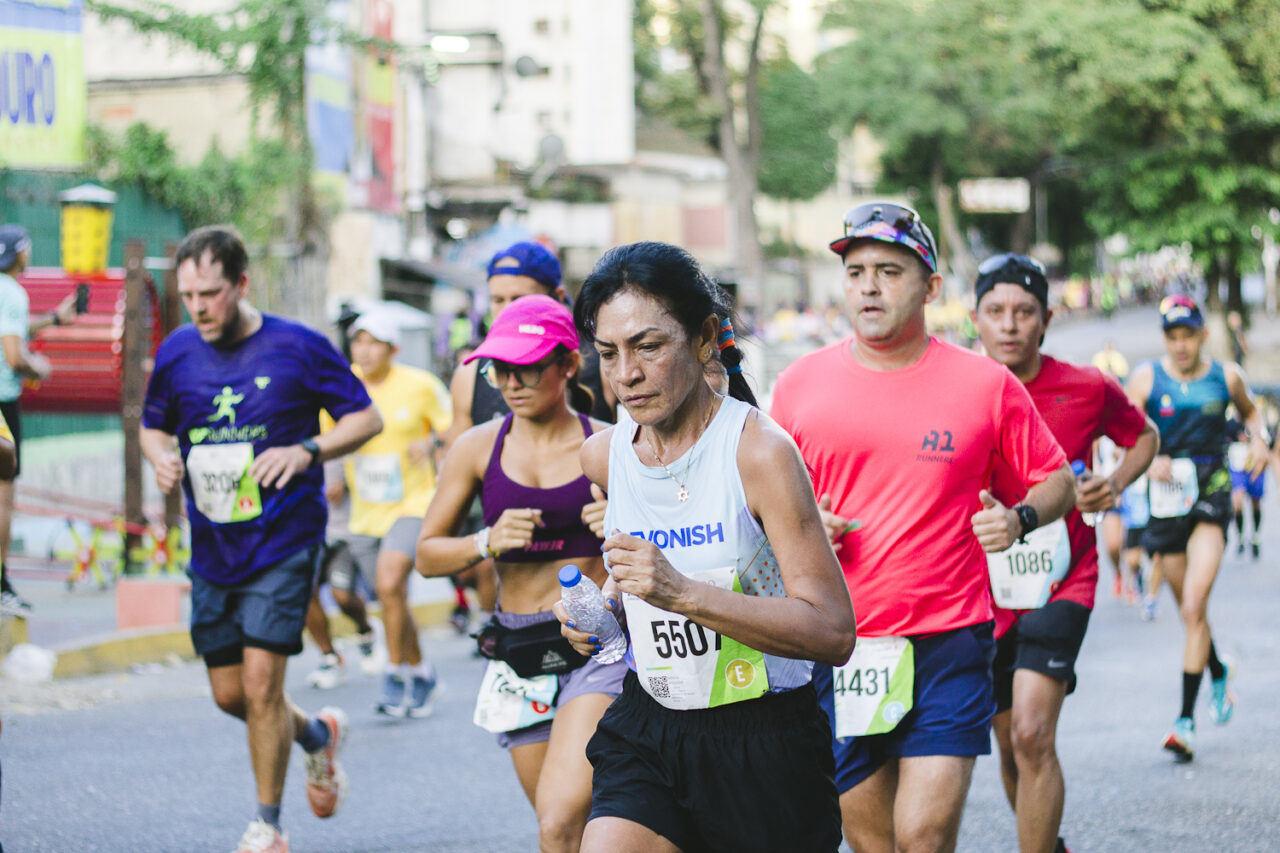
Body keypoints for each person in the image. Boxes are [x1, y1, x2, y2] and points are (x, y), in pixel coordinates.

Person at [770, 203, 1075, 853]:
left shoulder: (984, 384)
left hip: (949, 643)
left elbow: (1058, 479)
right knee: (874, 842)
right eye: (855, 272)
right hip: (842, 642)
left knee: (924, 834)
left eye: (888, 270)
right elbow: (757, 505)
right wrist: (799, 522)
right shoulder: (798, 386)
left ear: (931, 286)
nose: (869, 286)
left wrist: (1019, 518)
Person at [553, 241, 855, 853]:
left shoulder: (760, 453)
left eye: (648, 346)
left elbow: (832, 631)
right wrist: (601, 614)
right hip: (650, 722)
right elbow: (635, 570)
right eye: (608, 353)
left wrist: (682, 593)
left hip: (762, 739)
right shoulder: (604, 454)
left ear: (703, 338)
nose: (626, 375)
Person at [140, 225, 383, 853]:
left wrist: (308, 450)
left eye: (210, 294)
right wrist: (160, 457)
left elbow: (365, 417)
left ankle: (267, 827)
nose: (197, 307)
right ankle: (315, 735)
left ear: (241, 284)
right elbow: (152, 427)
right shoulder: (177, 352)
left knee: (260, 687)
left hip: (284, 540)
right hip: (213, 547)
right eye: (188, 294)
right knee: (230, 696)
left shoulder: (297, 346)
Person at [416, 295, 625, 851]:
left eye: (528, 366)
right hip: (520, 652)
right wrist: (486, 540)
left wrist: (625, 522)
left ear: (568, 365)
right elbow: (427, 554)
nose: (511, 380)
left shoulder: (610, 444)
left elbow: (665, 542)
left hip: (597, 647)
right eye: (500, 367)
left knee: (561, 818)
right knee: (562, 833)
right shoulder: (475, 448)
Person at [971, 253, 1158, 853]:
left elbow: (1145, 435)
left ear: (1046, 319)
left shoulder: (1088, 387)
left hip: (1063, 579)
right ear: (974, 317)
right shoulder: (957, 388)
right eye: (995, 311)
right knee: (1006, 741)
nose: (1009, 325)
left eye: (1024, 312)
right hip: (983, 589)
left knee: (1031, 733)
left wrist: (1118, 482)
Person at [1126, 294, 1267, 761]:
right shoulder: (1147, 378)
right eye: (1173, 336)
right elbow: (1123, 427)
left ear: (1203, 335)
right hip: (1166, 503)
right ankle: (1219, 669)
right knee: (1192, 616)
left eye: (1189, 335)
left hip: (1211, 492)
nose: (1181, 345)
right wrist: (1150, 457)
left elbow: (1251, 412)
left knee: (1193, 604)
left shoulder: (1225, 377)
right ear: (1164, 338)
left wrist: (1261, 440)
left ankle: (1184, 722)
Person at [322, 311, 451, 716]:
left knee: (390, 580)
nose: (364, 349)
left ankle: (394, 674)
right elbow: (329, 436)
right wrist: (333, 477)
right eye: (358, 341)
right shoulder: (341, 385)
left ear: (392, 349)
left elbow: (453, 430)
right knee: (391, 597)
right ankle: (423, 672)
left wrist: (430, 444)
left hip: (414, 503)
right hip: (363, 512)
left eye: (374, 342)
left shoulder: (420, 385)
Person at [0, 225, 76, 614]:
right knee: (3, 495)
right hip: (2, 405)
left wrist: (53, 319)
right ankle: (1, 584)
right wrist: (39, 368)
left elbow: (10, 329)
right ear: (20, 254)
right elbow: (13, 356)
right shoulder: (13, 292)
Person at [303, 459, 382, 689]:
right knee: (307, 595)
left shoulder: (338, 437)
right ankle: (330, 658)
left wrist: (346, 483)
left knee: (342, 596)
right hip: (307, 538)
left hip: (341, 534)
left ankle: (366, 631)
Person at [1224, 406, 1265, 559]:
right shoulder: (1230, 424)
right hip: (1237, 467)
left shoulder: (1257, 424)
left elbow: (1269, 444)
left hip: (1254, 467)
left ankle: (1255, 536)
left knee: (1256, 503)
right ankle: (1240, 536)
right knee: (1237, 502)